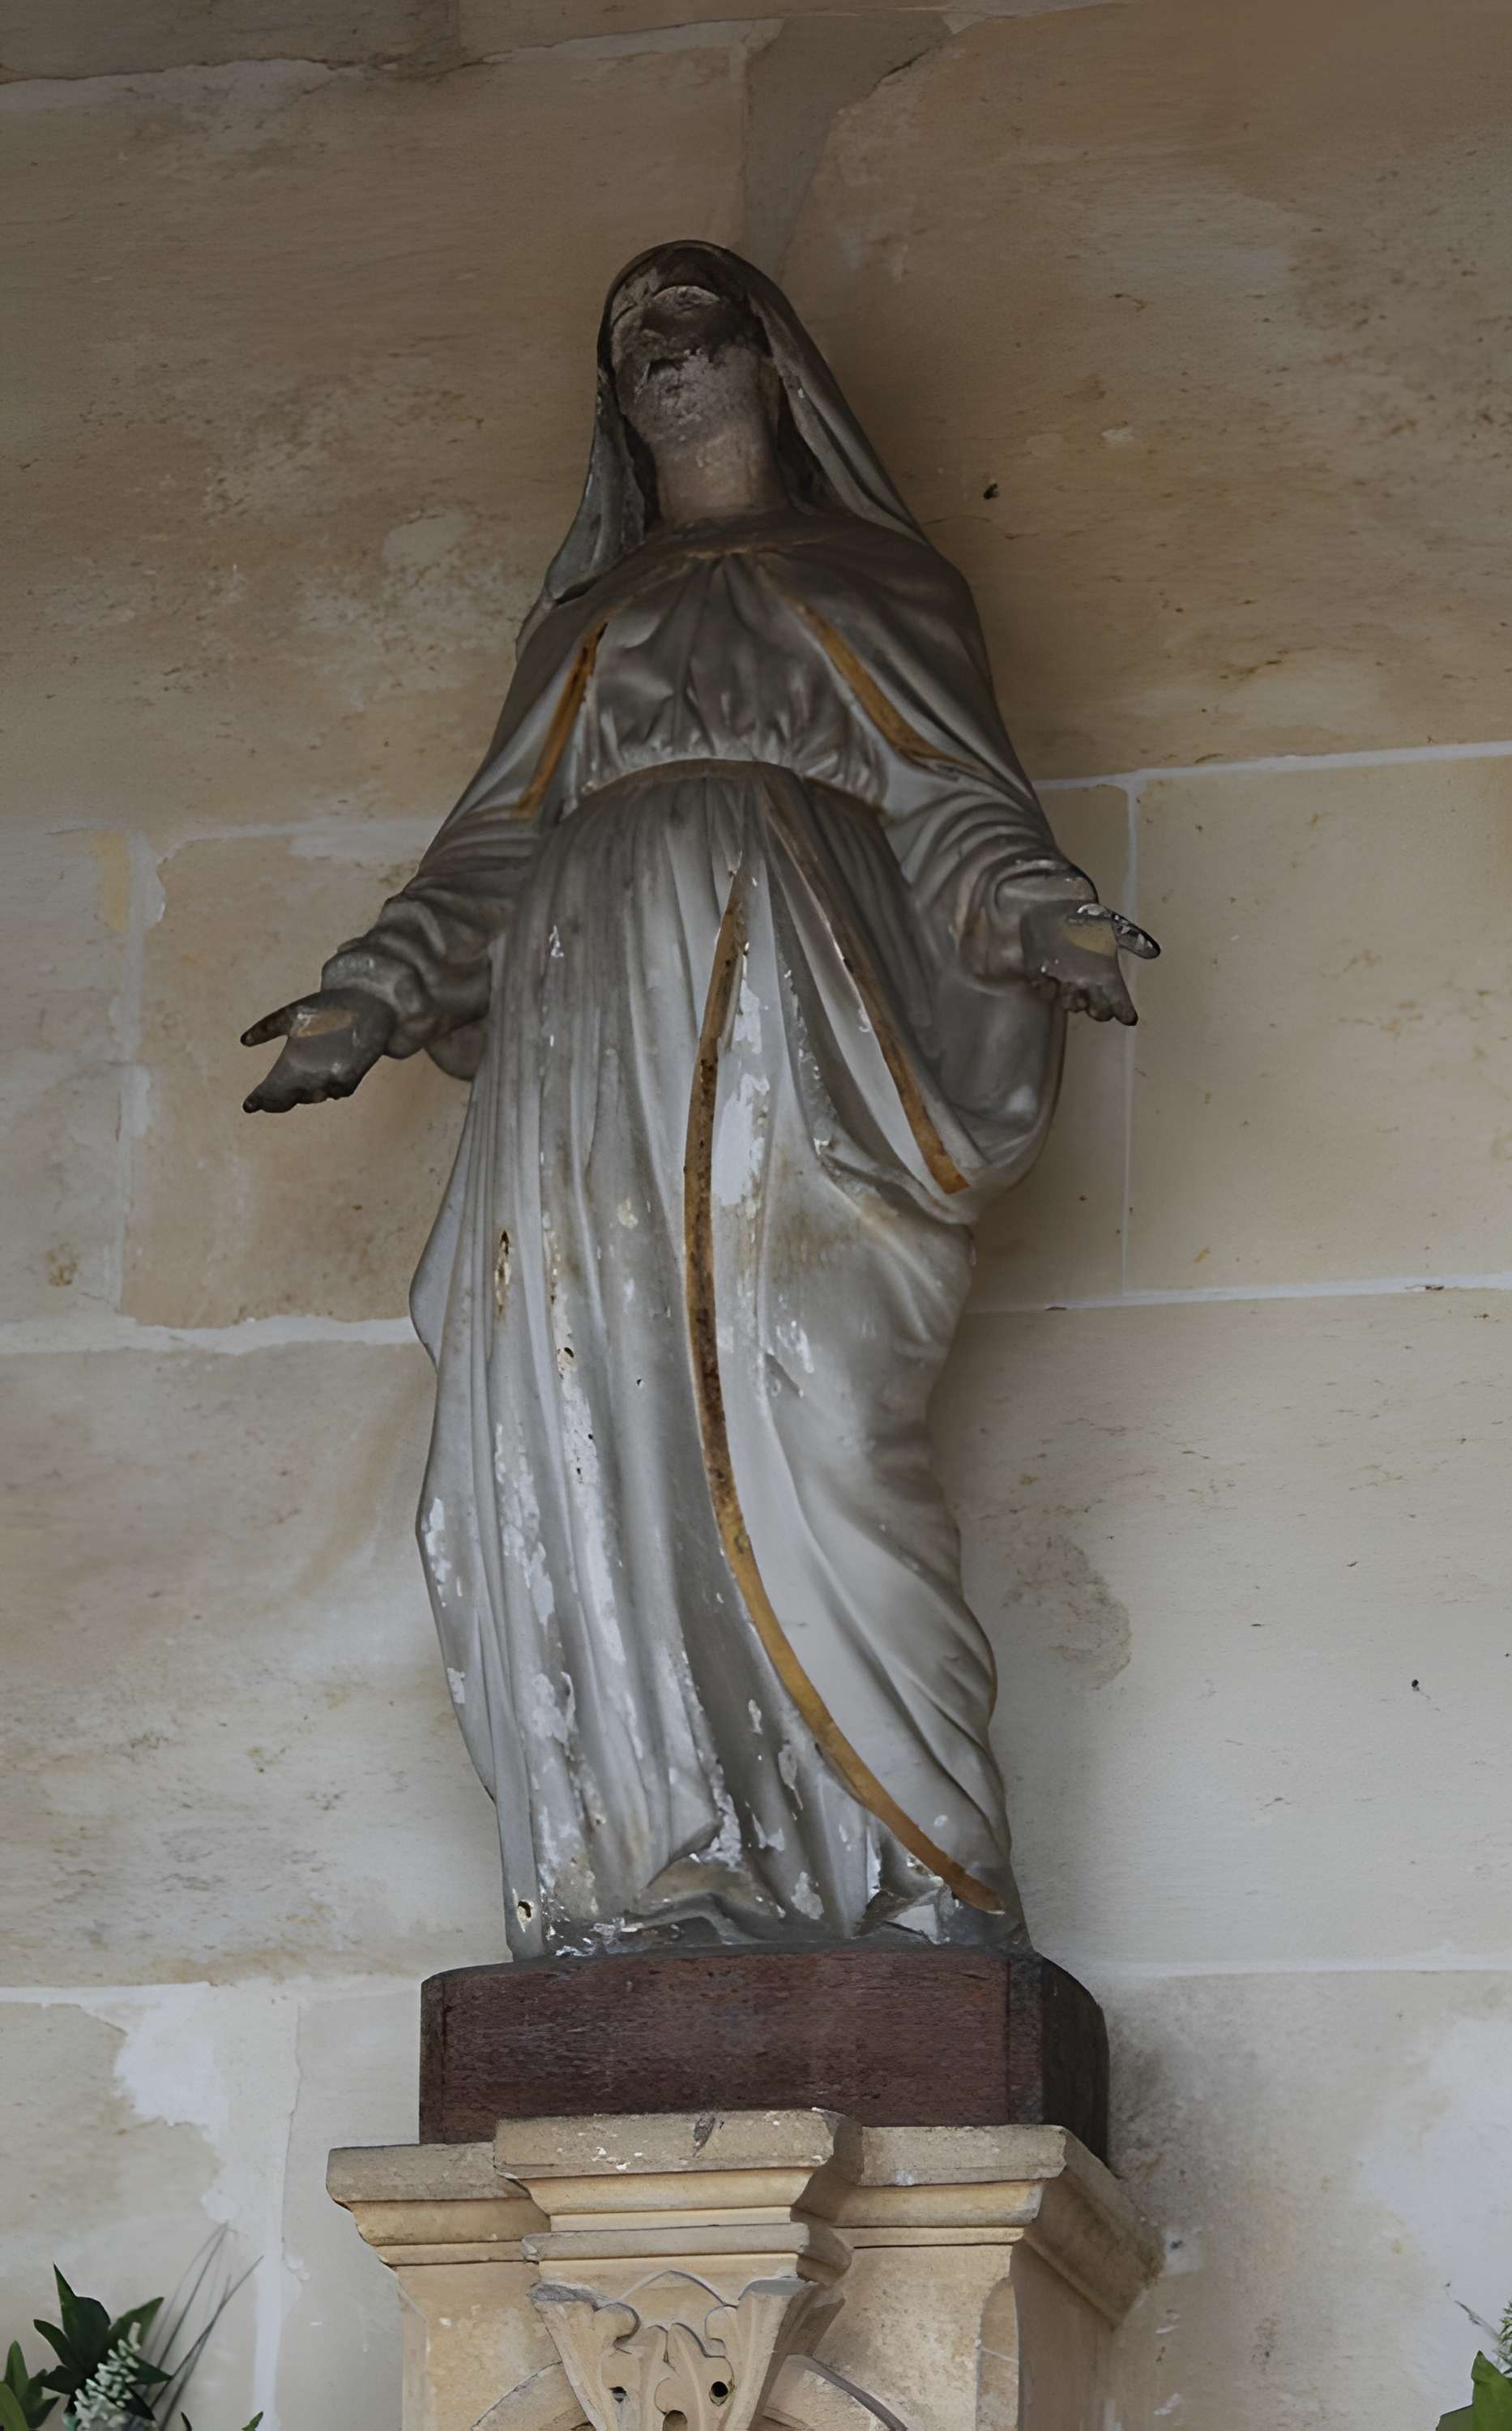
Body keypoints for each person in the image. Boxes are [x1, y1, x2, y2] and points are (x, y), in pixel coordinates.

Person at [242, 241, 1155, 1959]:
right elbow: (495, 843)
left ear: (771, 363)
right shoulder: (585, 624)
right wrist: (375, 991)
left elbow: (952, 801)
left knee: (820, 1423)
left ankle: (922, 1876)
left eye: (693, 329)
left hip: (801, 1024)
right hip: (586, 1047)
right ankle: (665, 1871)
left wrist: (1042, 914)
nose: (663, 362)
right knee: (587, 1436)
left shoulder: (875, 579)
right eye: (632, 345)